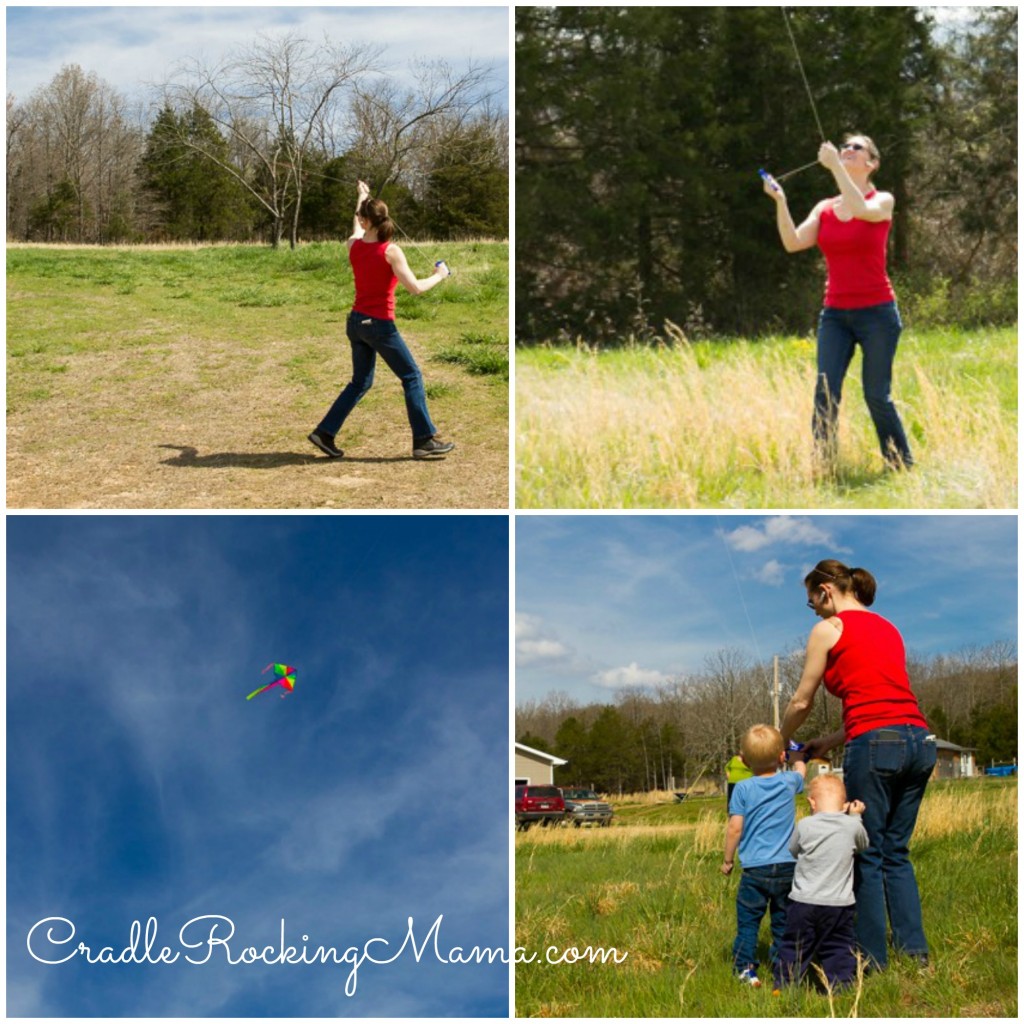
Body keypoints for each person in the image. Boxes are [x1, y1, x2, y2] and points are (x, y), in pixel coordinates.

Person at [780, 559, 936, 971]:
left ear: (826, 591)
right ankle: (915, 955)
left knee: (866, 854)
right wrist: (827, 742)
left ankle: (870, 960)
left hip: (877, 746)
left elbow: (801, 700)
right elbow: (883, 704)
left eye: (812, 598)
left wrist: (782, 737)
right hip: (920, 741)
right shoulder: (888, 627)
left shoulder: (828, 629)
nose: (812, 608)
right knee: (896, 853)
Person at [763, 135, 913, 470]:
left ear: (871, 163)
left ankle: (900, 463)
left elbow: (860, 208)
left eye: (856, 148)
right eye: (845, 146)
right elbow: (793, 242)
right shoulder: (824, 207)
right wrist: (780, 201)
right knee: (825, 393)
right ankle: (823, 465)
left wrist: (834, 168)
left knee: (876, 395)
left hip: (877, 314)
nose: (848, 149)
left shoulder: (882, 200)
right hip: (835, 316)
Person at [308, 179, 455, 460]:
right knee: (411, 376)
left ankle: (325, 433)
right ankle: (424, 440)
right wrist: (440, 275)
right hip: (379, 326)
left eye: (360, 217)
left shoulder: (354, 245)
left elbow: (355, 228)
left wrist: (361, 195)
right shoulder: (390, 250)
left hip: (356, 323)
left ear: (364, 221)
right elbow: (416, 288)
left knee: (360, 382)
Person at [722, 724, 808, 988]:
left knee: (748, 923)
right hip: (787, 866)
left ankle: (746, 970)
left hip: (755, 870)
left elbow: (735, 828)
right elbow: (801, 768)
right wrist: (796, 752)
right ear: (781, 757)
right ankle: (785, 968)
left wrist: (727, 859)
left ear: (745, 761)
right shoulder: (789, 781)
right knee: (783, 921)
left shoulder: (743, 789)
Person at [773, 773, 869, 993]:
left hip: (802, 901)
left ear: (811, 802)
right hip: (838, 904)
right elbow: (863, 844)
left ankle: (784, 986)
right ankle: (840, 987)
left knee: (795, 946)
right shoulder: (851, 826)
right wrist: (855, 817)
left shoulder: (805, 824)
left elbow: (793, 850)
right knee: (838, 946)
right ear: (844, 804)